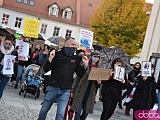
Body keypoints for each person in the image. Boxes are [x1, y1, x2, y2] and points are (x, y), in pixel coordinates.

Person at [37, 37, 89, 120]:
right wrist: (50, 58)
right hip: (53, 87)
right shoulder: (57, 55)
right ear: (66, 44)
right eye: (72, 44)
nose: (74, 47)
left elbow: (80, 74)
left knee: (60, 115)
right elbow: (46, 69)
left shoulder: (76, 58)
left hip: (66, 90)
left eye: (76, 45)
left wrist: (85, 65)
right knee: (44, 110)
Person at [70, 50, 101, 120]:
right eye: (95, 56)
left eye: (98, 57)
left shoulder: (99, 69)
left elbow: (98, 85)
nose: (96, 58)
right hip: (81, 90)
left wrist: (99, 82)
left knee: (85, 112)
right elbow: (77, 78)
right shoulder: (85, 64)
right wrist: (73, 90)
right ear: (91, 56)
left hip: (90, 92)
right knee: (77, 110)